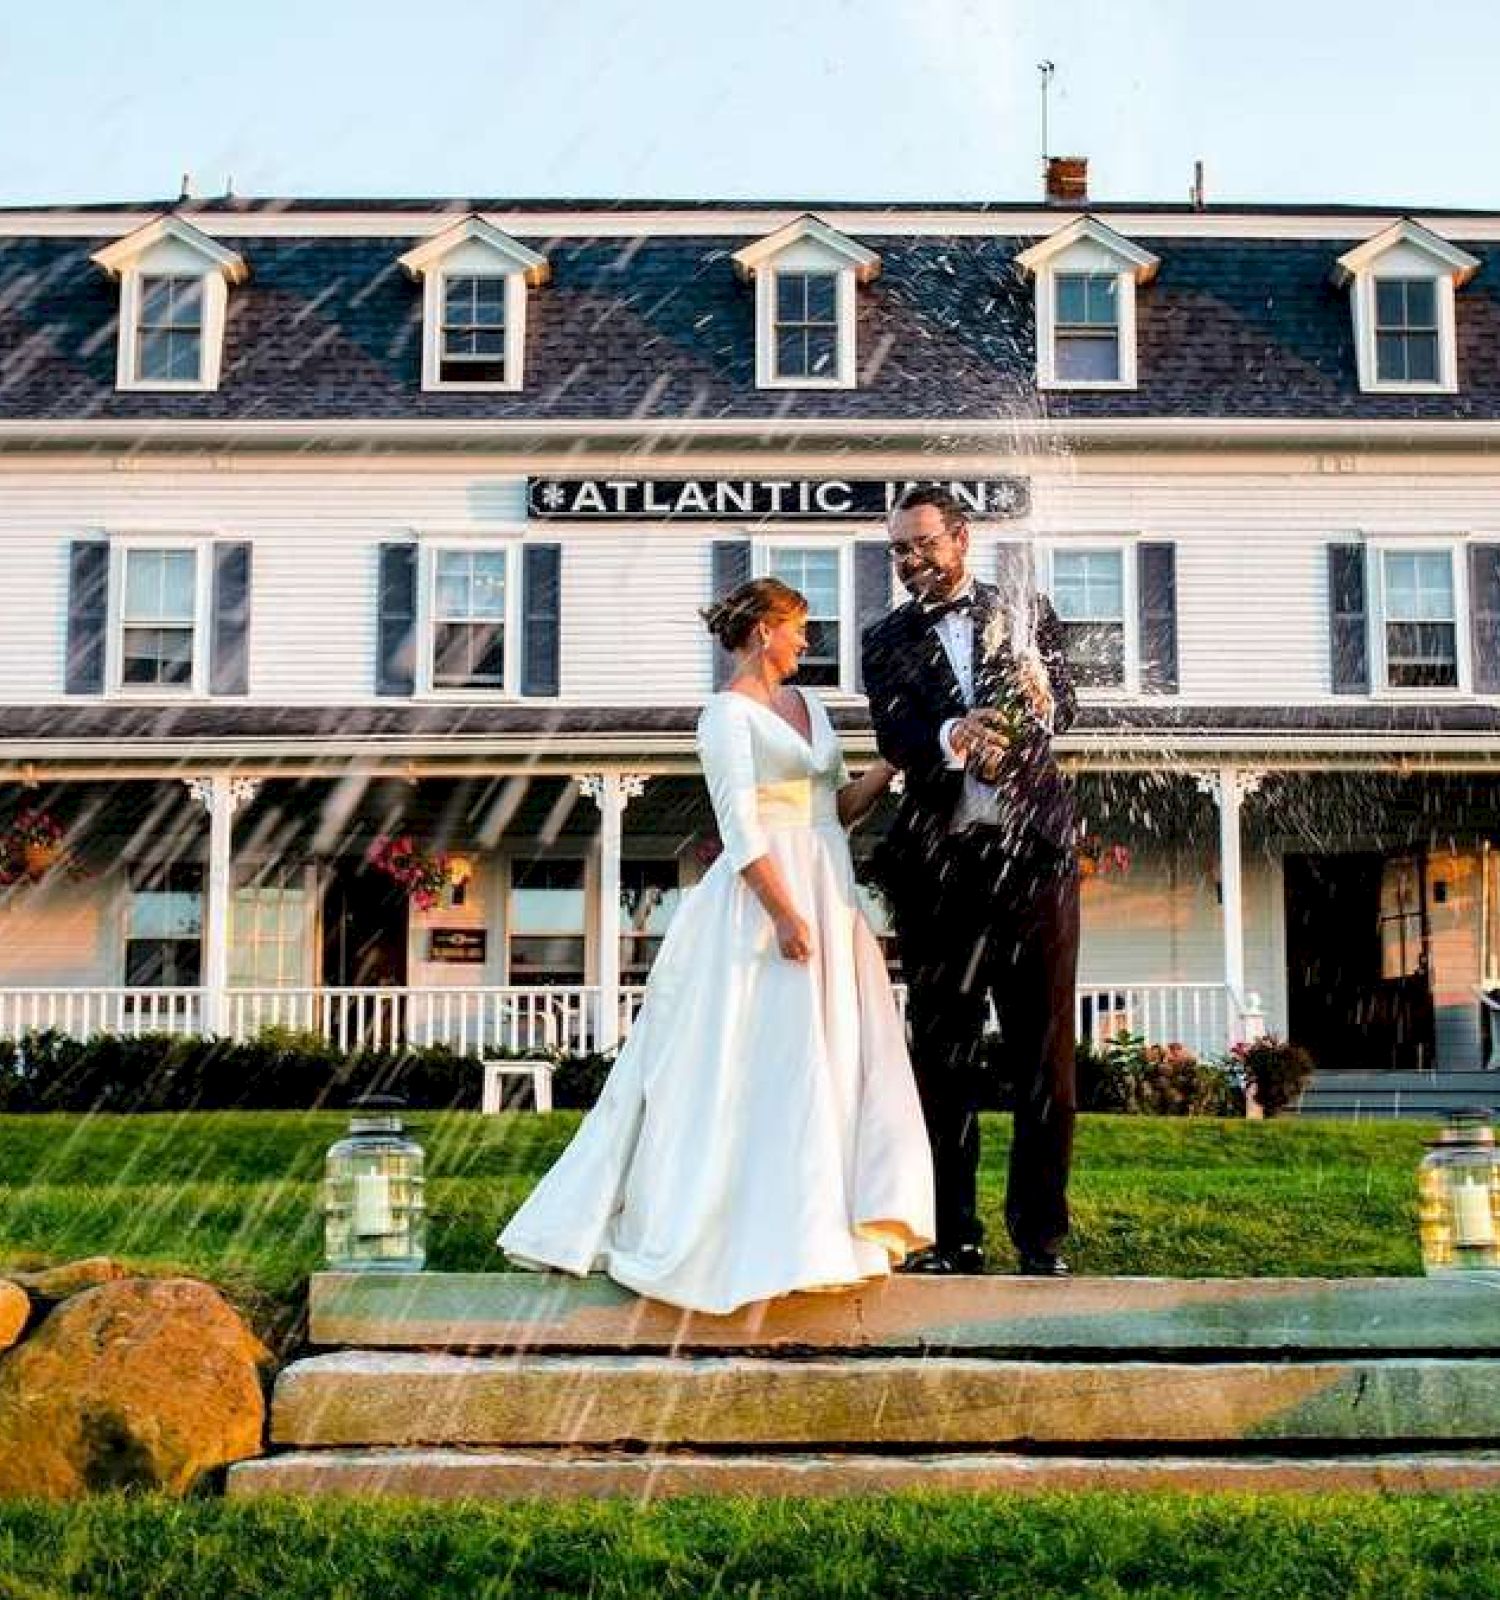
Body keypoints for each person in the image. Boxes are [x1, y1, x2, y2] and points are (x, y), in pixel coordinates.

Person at [498, 578, 934, 1314]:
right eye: (798, 628)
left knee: (832, 1058)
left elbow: (840, 810)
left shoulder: (813, 707)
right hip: (766, 906)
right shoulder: (725, 716)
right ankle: (743, 1234)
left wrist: (893, 766)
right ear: (764, 630)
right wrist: (786, 914)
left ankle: (829, 1232)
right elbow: (740, 830)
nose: (807, 641)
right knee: (766, 1063)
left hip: (828, 886)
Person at [861, 485, 1079, 1276]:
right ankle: (953, 1235)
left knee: (1045, 1061)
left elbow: (1066, 707)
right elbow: (897, 732)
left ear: (960, 539)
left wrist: (1020, 725)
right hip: (940, 874)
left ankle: (1040, 1238)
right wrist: (955, 735)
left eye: (921, 543)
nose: (908, 559)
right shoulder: (883, 639)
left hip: (1034, 865)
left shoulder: (1024, 612)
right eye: (898, 549)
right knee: (942, 1058)